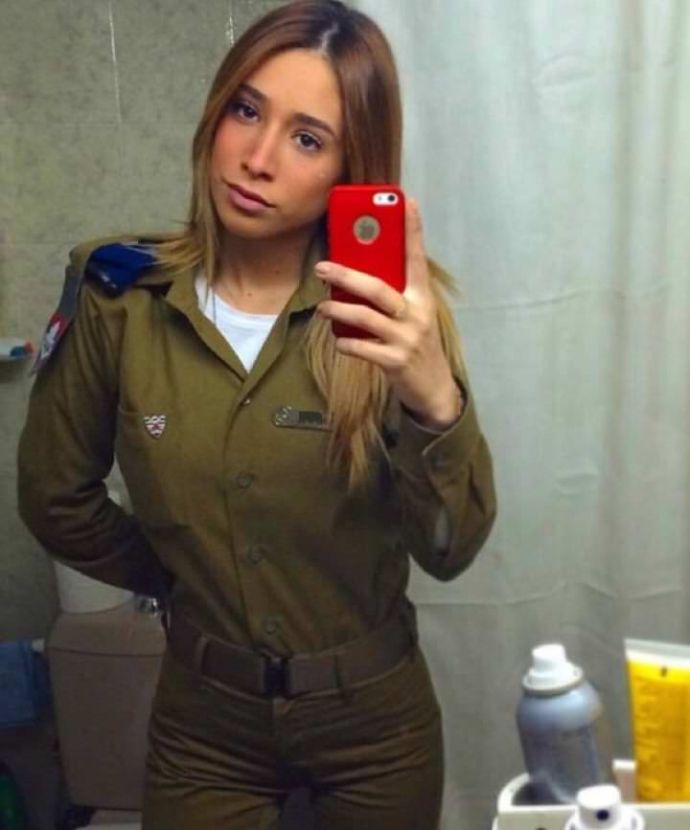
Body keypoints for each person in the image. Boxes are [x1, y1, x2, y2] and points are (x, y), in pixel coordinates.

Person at [17, 1, 496, 828]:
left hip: (375, 723)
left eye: (307, 138)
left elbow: (450, 550)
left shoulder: (388, 314)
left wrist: (433, 397)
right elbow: (55, 497)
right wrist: (181, 572)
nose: (258, 158)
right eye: (246, 110)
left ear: (349, 168)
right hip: (206, 722)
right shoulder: (119, 297)